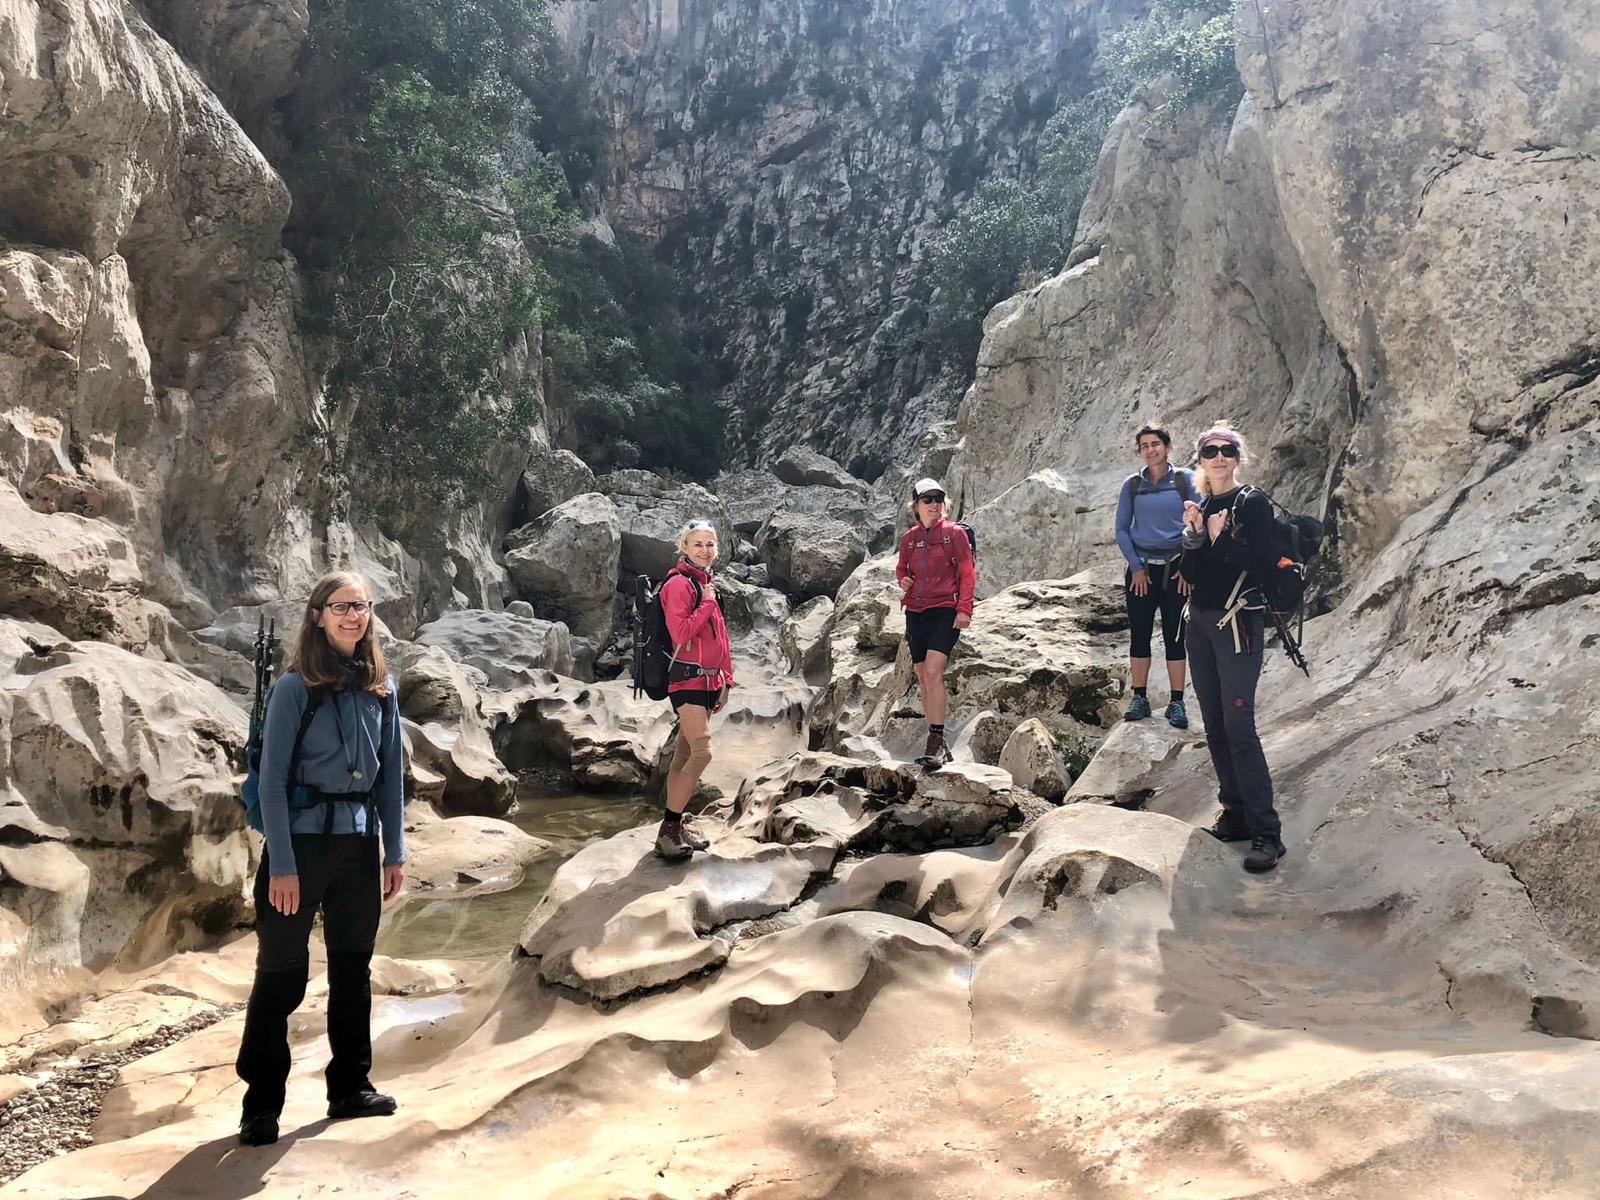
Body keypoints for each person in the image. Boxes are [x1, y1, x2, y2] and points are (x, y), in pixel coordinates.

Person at [235, 571, 406, 1147]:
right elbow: (275, 784)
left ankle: (350, 1088)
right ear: (318, 615)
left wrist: (394, 851)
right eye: (341, 607)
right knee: (280, 980)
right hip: (301, 850)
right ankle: (261, 1106)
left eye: (361, 606)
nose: (353, 616)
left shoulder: (382, 685)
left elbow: (390, 783)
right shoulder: (294, 688)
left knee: (353, 974)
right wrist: (281, 864)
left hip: (359, 847)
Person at [1178, 426, 1287, 873]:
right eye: (1211, 451)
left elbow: (1262, 562)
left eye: (1227, 451)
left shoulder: (1253, 503)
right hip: (1200, 624)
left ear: (1237, 457)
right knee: (1216, 725)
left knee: (1239, 728)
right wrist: (1195, 536)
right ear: (1200, 460)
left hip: (1237, 624)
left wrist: (1222, 539)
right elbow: (1189, 572)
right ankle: (1236, 813)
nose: (1219, 458)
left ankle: (1268, 834)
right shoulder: (1204, 506)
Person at [656, 519, 735, 860]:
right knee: (703, 752)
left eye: (710, 544)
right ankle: (668, 829)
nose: (705, 550)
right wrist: (707, 603)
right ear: (684, 547)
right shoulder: (679, 585)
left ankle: (676, 823)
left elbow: (721, 639)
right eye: (698, 544)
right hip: (686, 680)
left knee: (685, 755)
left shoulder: (705, 582)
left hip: (707, 680)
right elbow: (681, 633)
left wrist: (726, 680)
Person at [1114, 422, 1195, 728]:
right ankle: (1140, 697)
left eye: (1155, 444)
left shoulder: (1185, 480)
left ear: (1167, 447)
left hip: (1176, 568)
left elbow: (1195, 524)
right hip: (1142, 570)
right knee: (1140, 632)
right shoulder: (1132, 485)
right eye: (1144, 446)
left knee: (1176, 635)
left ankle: (1176, 702)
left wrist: (1188, 568)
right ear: (1140, 452)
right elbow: (1122, 528)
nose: (1150, 450)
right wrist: (1135, 566)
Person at [895, 477, 976, 770]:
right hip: (915, 611)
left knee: (932, 671)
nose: (934, 505)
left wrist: (964, 609)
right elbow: (902, 568)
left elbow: (968, 573)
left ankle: (936, 740)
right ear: (915, 505)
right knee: (921, 674)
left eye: (939, 499)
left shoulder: (954, 534)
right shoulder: (909, 540)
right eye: (927, 499)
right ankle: (936, 740)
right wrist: (902, 580)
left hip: (944, 610)